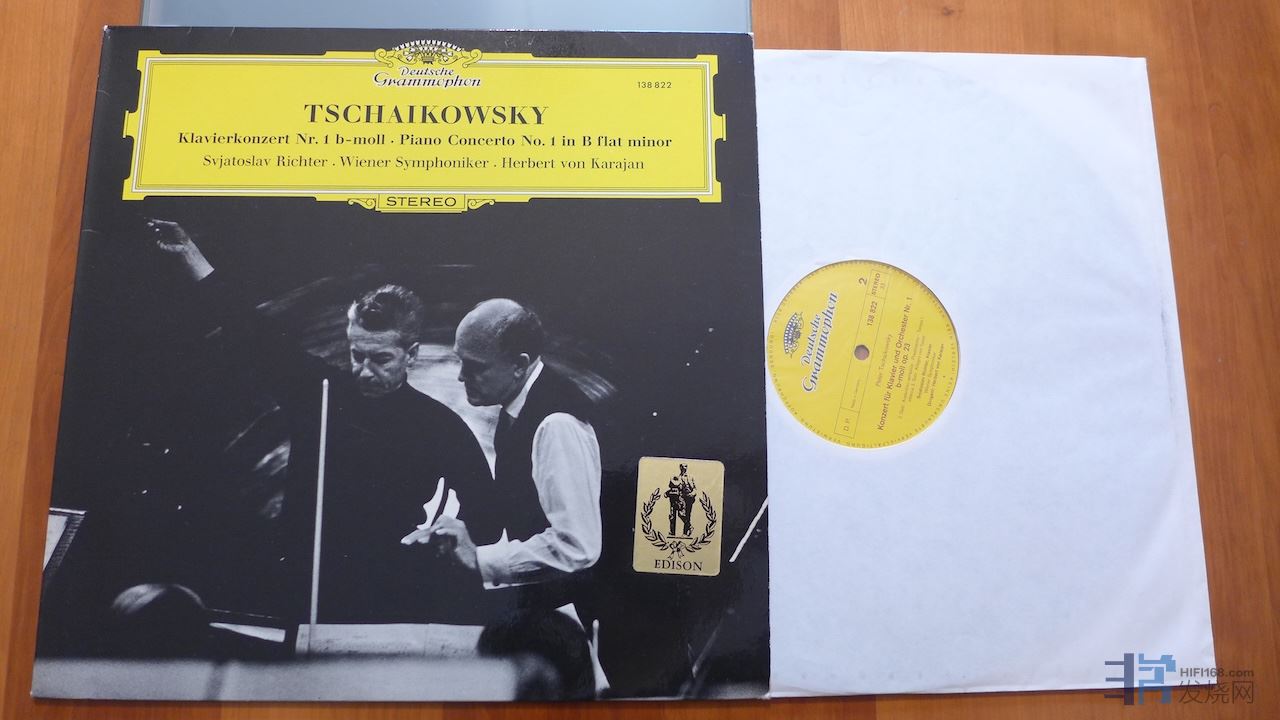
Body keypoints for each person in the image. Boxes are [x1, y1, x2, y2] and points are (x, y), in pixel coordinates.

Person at [147, 219, 501, 625]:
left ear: (412, 354)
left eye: (381, 359)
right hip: (296, 588)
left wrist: (447, 536)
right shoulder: (316, 391)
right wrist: (190, 254)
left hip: (386, 597)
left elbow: (488, 514)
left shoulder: (438, 426)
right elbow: (249, 330)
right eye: (356, 354)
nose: (364, 370)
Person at [402, 299, 601, 611]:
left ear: (519, 365)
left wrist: (479, 558)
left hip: (588, 616)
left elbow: (577, 547)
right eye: (460, 361)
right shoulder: (517, 408)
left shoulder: (556, 424)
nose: (461, 376)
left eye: (475, 367)